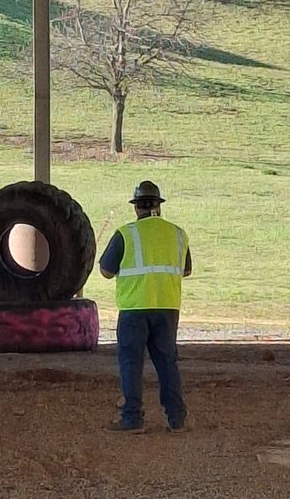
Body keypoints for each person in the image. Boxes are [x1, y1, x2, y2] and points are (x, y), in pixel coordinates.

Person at [99, 180, 192, 433]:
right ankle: (176, 418)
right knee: (167, 362)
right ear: (158, 206)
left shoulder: (125, 234)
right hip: (167, 307)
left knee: (131, 363)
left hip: (134, 309)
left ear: (136, 207)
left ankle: (132, 419)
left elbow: (106, 271)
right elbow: (186, 270)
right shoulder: (178, 234)